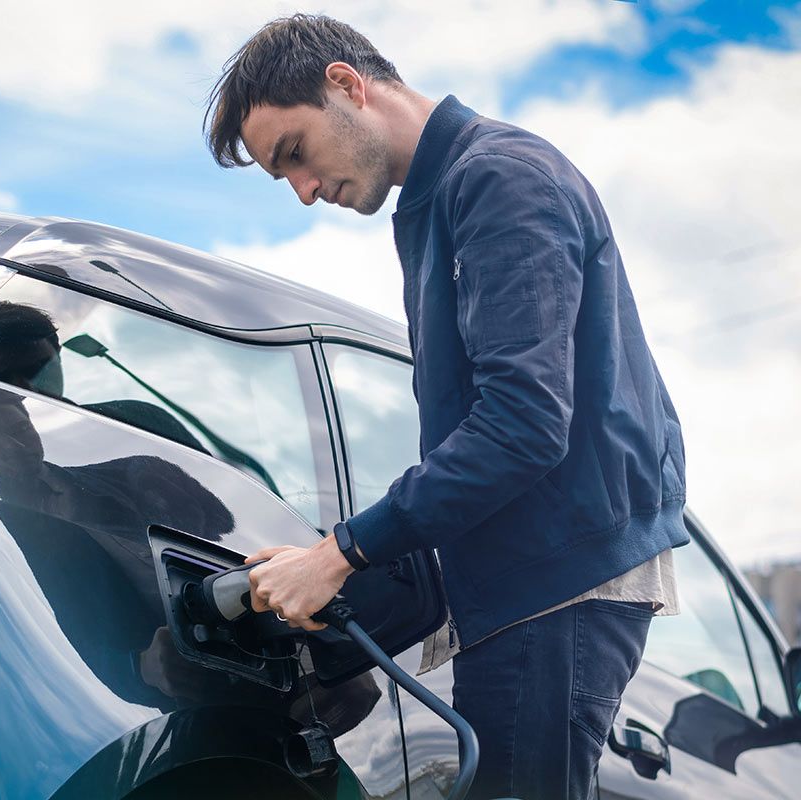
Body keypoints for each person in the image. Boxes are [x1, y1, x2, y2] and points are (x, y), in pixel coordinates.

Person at [204, 14, 690, 800]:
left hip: (553, 587)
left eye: (294, 153)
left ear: (346, 84)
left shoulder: (501, 179)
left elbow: (523, 425)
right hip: (527, 583)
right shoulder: (444, 199)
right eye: (279, 177)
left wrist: (338, 554)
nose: (301, 192)